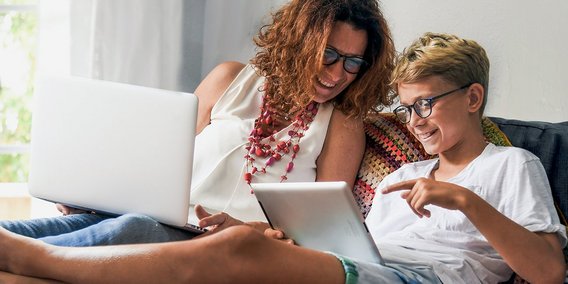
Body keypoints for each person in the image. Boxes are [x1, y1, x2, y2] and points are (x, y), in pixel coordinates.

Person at [1, 32, 565, 284]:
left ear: (473, 98)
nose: (415, 120)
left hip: (422, 279)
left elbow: (548, 270)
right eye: (408, 107)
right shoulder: (406, 171)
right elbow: (341, 243)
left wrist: (463, 199)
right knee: (221, 237)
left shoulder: (512, 167)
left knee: (225, 243)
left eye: (427, 105)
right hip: (369, 266)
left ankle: (30, 258)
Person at [0, 0, 395, 247]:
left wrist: (245, 229)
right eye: (328, 54)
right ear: (300, 42)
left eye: (353, 62)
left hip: (226, 242)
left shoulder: (340, 123)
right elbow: (157, 164)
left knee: (132, 228)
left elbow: (328, 237)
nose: (339, 72)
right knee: (71, 224)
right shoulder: (229, 78)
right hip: (163, 218)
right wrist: (97, 197)